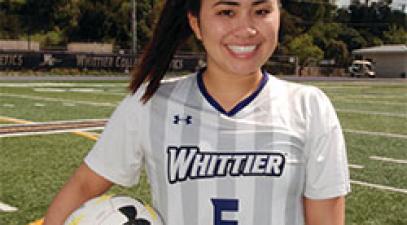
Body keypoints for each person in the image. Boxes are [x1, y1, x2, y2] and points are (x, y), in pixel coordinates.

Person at [44, 0, 350, 224]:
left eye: (261, 11)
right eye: (226, 12)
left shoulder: (310, 107)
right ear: (196, 23)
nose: (245, 29)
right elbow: (84, 186)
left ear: (278, 16)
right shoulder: (150, 103)